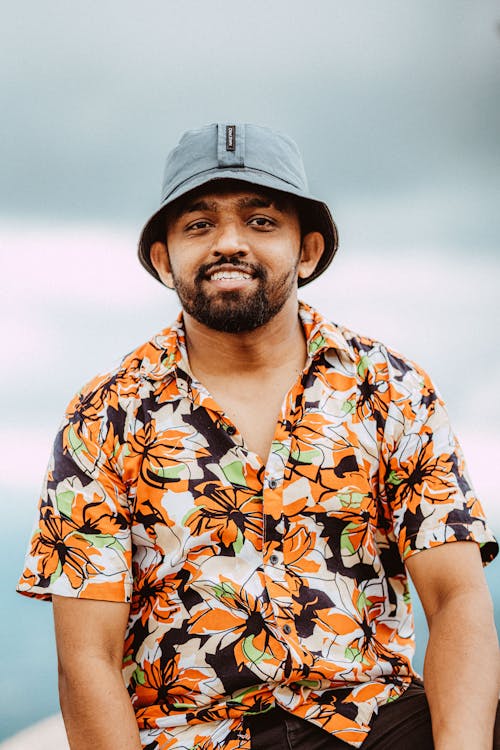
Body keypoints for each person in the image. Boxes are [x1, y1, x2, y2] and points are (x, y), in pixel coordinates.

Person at [18, 123, 499, 750]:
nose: (229, 243)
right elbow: (86, 657)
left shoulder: (390, 389)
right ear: (164, 259)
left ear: (307, 250)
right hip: (192, 736)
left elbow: (457, 596)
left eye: (262, 221)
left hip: (371, 724)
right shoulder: (106, 415)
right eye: (198, 225)